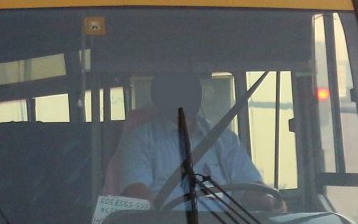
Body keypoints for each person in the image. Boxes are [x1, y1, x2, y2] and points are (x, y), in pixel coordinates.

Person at [114, 72, 279, 211]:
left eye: (190, 90)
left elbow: (249, 185)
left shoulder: (224, 140)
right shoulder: (141, 139)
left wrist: (266, 199)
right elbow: (137, 193)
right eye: (177, 89)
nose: (185, 96)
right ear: (159, 97)